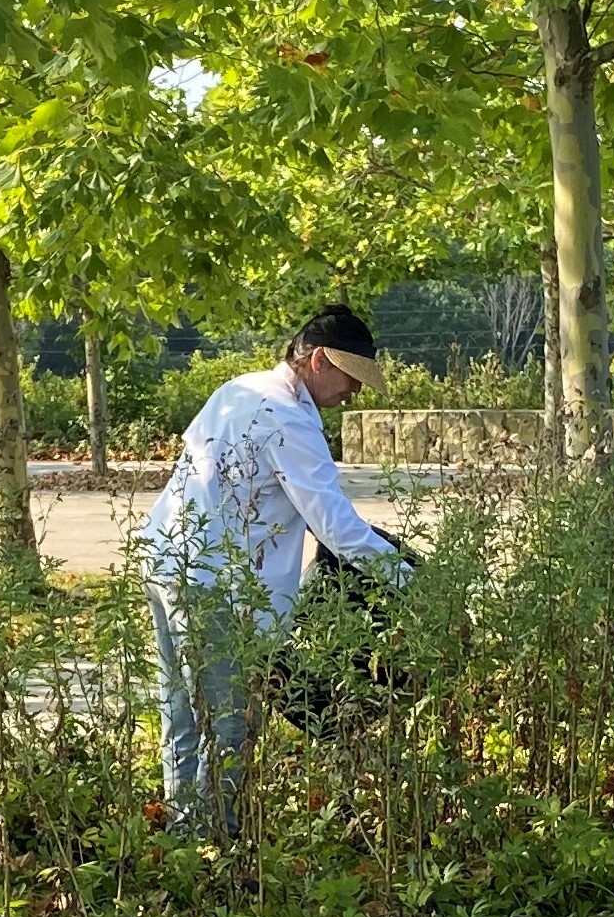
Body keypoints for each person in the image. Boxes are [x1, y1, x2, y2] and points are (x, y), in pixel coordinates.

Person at [137, 302, 411, 823]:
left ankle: (182, 833)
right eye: (351, 379)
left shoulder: (238, 390)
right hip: (214, 582)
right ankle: (213, 841)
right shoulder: (287, 419)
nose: (352, 394)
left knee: (182, 709)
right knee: (229, 719)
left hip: (167, 558)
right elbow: (332, 523)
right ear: (321, 361)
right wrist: (406, 577)